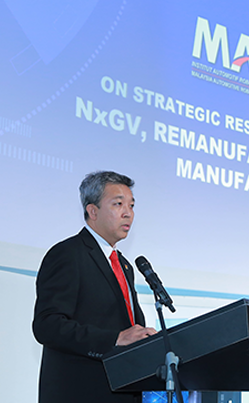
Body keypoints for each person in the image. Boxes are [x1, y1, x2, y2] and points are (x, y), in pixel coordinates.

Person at [33, 171, 157, 403]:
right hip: (81, 393)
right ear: (93, 211)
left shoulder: (124, 266)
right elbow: (47, 325)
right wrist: (115, 338)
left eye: (131, 205)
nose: (128, 213)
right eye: (118, 204)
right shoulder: (68, 254)